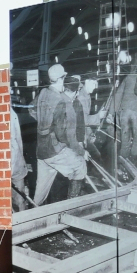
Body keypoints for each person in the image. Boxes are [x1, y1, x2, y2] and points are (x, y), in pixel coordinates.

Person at [32, 63, 88, 203]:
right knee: (80, 166)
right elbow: (64, 135)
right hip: (54, 151)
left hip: (41, 151)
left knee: (40, 193)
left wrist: (44, 126)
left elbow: (32, 110)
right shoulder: (60, 100)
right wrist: (80, 151)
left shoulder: (43, 93)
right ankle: (72, 205)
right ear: (62, 78)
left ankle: (32, 214)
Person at [112, 50, 137, 164]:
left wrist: (112, 111)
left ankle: (123, 157)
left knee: (125, 133)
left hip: (124, 110)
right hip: (136, 110)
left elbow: (118, 94)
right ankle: (135, 156)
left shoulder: (128, 77)